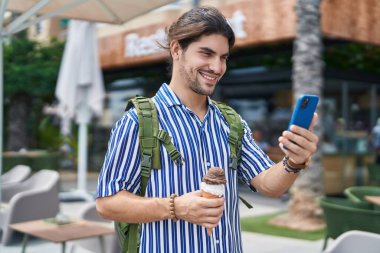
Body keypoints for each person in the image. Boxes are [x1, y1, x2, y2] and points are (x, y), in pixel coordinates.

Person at [96, 6, 318, 253]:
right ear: (177, 49)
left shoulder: (231, 122)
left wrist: (294, 162)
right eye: (206, 54)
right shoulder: (137, 122)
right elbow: (108, 204)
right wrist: (176, 207)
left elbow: (268, 185)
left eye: (223, 57)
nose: (216, 67)